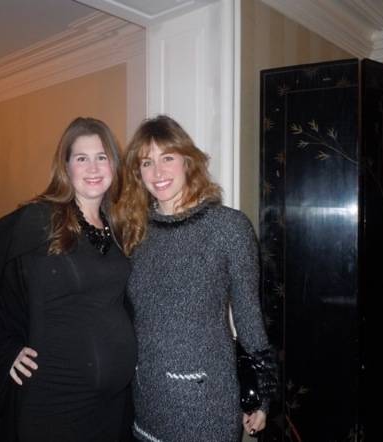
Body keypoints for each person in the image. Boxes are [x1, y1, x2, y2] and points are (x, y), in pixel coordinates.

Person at [0, 117, 137, 442]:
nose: (93, 168)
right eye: (82, 158)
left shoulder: (117, 226)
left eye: (102, 157)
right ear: (66, 166)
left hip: (112, 404)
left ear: (114, 165)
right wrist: (4, 350)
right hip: (56, 396)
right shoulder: (39, 218)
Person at [115, 115, 276, 442]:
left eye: (167, 158)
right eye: (147, 162)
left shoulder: (228, 228)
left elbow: (248, 316)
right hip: (146, 400)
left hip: (207, 403)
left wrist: (262, 393)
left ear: (188, 161)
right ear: (137, 172)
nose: (157, 172)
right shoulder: (134, 232)